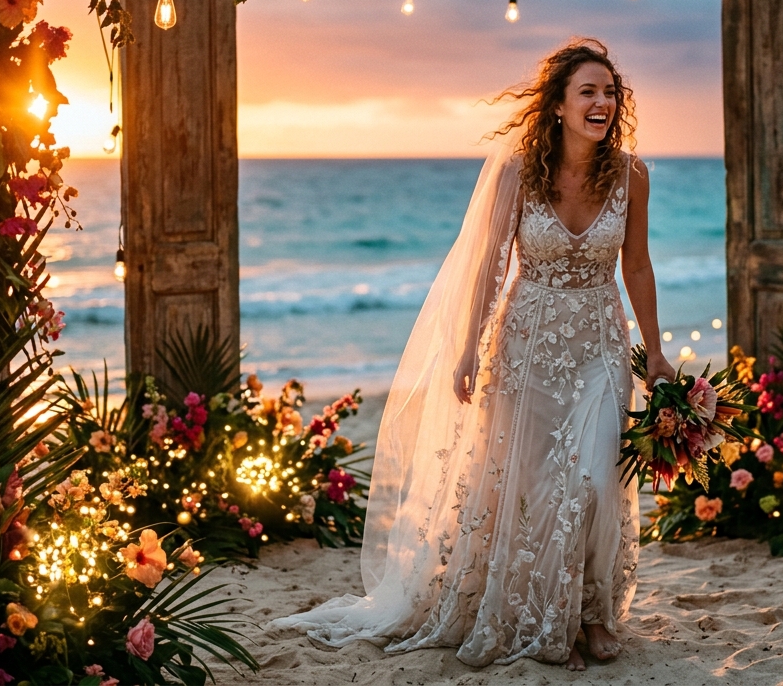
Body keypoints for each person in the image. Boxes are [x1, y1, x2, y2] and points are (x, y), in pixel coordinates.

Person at [274, 39, 674, 672]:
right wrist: (468, 348)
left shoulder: (632, 175)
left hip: (600, 343)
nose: (602, 102)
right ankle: (550, 617)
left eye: (610, 92)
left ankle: (591, 613)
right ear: (559, 105)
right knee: (536, 485)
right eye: (588, 92)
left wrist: (655, 353)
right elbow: (490, 266)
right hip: (526, 345)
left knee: (595, 478)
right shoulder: (521, 171)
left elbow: (638, 265)